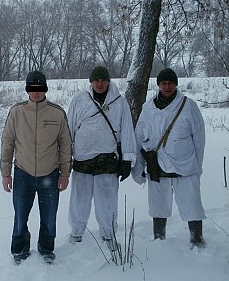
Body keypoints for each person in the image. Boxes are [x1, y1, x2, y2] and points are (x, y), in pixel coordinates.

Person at [0, 70, 72, 264]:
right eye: (33, 88)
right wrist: (6, 174)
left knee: (49, 217)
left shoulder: (56, 113)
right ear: (27, 90)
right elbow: (8, 143)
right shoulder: (17, 112)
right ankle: (20, 249)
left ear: (45, 89)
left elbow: (65, 145)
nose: (36, 92)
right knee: (20, 216)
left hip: (50, 173)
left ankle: (46, 248)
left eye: (40, 87)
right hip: (23, 173)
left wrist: (64, 174)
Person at [131, 68, 206, 248]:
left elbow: (199, 139)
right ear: (158, 85)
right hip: (157, 165)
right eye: (163, 83)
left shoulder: (189, 107)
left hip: (185, 165)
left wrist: (197, 166)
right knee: (158, 205)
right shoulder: (148, 108)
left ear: (175, 84)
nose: (167, 87)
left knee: (191, 204)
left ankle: (196, 239)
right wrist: (138, 167)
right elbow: (139, 138)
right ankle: (159, 239)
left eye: (170, 83)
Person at [67, 66, 136, 245]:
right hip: (83, 158)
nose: (100, 83)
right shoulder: (79, 100)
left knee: (107, 199)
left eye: (103, 80)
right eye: (96, 80)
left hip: (107, 159)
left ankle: (108, 233)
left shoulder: (119, 103)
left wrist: (127, 159)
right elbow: (69, 130)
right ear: (91, 81)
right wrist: (66, 156)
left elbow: (127, 131)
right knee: (79, 198)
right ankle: (76, 232)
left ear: (108, 81)